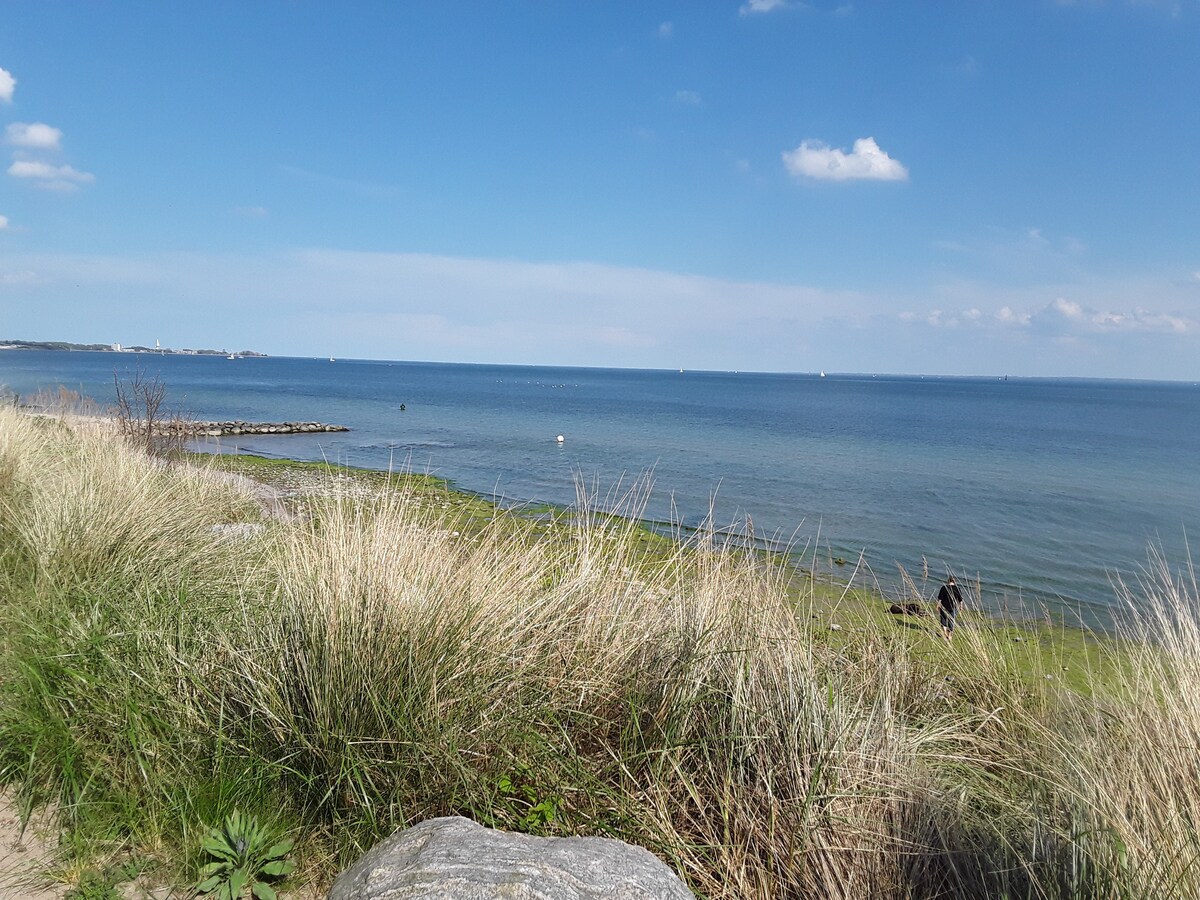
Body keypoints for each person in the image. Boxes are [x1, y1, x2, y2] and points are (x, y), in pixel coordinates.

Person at [937, 575, 963, 641]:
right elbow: (960, 599)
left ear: (948, 581)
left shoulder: (944, 587)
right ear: (954, 582)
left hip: (944, 606)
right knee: (951, 620)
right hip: (953, 607)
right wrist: (961, 606)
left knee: (943, 619)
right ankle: (950, 635)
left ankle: (945, 632)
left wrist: (938, 605)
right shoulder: (957, 589)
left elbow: (940, 598)